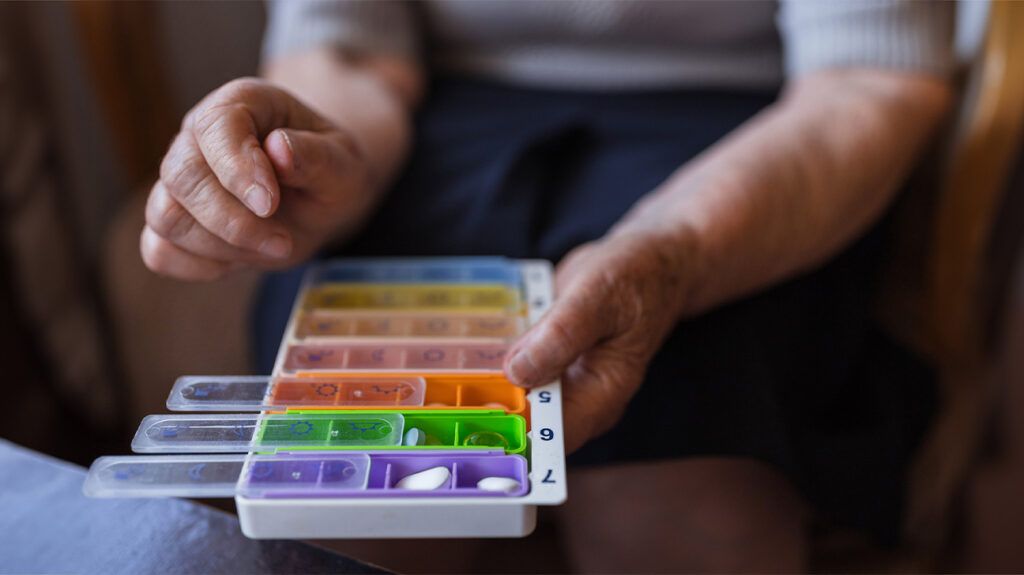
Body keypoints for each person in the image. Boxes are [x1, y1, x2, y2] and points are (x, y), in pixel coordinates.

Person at [140, 1, 953, 571]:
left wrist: (677, 249)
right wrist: (318, 157)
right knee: (351, 481)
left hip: (759, 133)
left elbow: (869, 78)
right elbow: (350, 53)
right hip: (429, 121)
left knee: (678, 453)